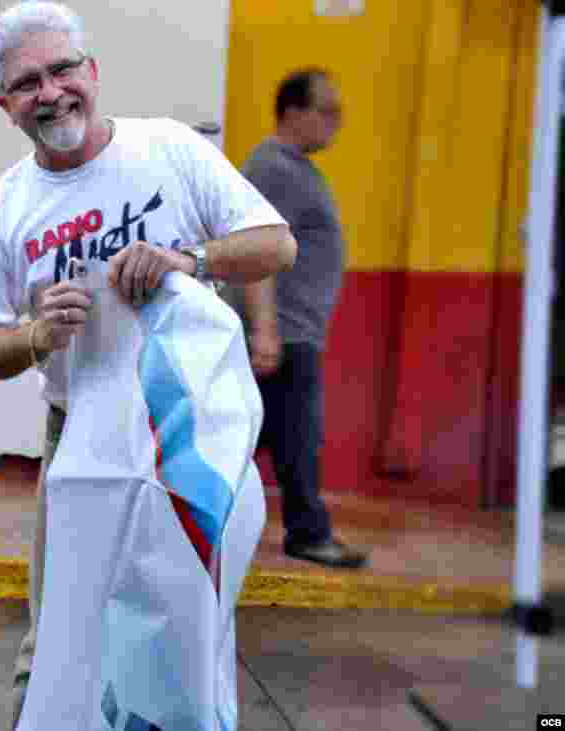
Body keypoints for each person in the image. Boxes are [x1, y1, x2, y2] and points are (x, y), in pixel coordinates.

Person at [0, 3, 297, 727]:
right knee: (62, 631)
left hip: (186, 434)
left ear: (92, 72)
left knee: (186, 617)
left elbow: (275, 243)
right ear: (5, 106)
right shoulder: (3, 208)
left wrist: (189, 258)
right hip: (79, 437)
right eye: (27, 83)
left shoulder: (167, 148)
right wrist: (37, 337)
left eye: (62, 69)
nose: (50, 92)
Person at [238, 68, 369, 570]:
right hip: (285, 333)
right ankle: (308, 531)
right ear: (293, 113)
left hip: (293, 330)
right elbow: (256, 252)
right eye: (328, 111)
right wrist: (266, 331)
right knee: (295, 437)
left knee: (272, 436)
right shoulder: (274, 169)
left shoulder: (292, 168)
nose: (337, 123)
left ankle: (302, 527)